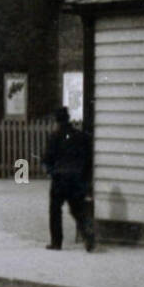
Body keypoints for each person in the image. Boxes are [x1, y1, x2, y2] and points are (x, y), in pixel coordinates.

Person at [42, 106, 94, 251]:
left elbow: (47, 158)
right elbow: (88, 157)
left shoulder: (54, 137)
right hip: (76, 178)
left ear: (56, 120)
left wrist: (51, 171)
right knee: (77, 209)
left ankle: (56, 242)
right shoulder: (80, 136)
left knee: (55, 211)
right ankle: (88, 235)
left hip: (59, 178)